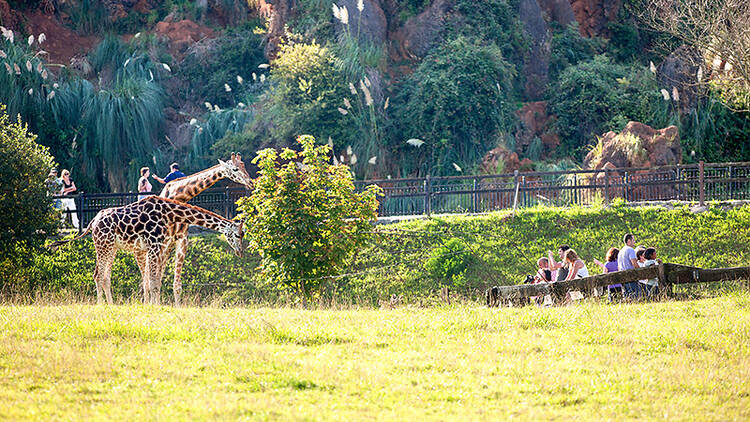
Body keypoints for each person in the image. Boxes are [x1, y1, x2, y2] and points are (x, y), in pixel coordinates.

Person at [618, 233, 640, 299]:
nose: (634, 242)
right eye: (633, 240)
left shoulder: (621, 251)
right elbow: (634, 263)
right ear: (629, 241)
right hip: (631, 276)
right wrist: (641, 271)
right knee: (635, 296)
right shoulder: (630, 250)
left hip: (622, 277)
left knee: (626, 296)